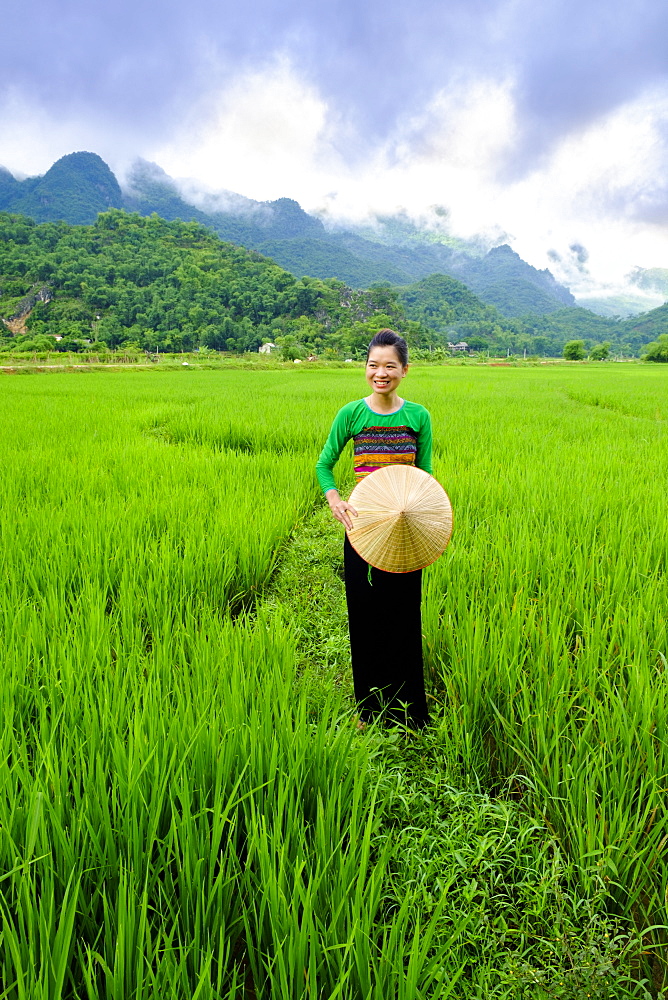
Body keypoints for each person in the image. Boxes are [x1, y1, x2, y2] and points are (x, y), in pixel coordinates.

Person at [316, 329, 433, 729]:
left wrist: (426, 517)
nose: (380, 373)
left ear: (404, 369)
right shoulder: (352, 413)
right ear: (366, 368)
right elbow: (323, 464)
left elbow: (425, 475)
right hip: (363, 529)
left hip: (406, 530)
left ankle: (410, 710)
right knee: (364, 613)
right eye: (373, 365)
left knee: (404, 614)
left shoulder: (418, 416)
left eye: (389, 366)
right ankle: (368, 708)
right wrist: (335, 499)